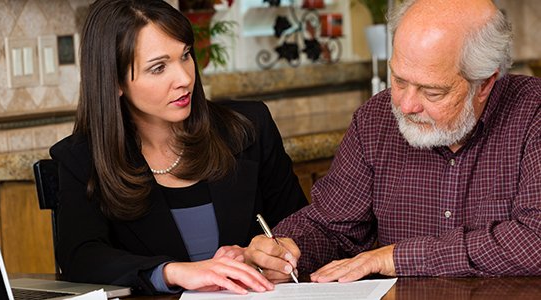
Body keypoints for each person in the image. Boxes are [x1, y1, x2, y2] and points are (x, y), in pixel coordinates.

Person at [245, 0, 541, 283]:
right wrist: (286, 251)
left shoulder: (534, 114)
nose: (405, 105)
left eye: (432, 92)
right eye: (398, 80)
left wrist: (397, 258)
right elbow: (332, 227)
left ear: (485, 84)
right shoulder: (375, 120)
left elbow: (535, 241)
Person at [49, 0, 308, 295]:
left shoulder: (249, 127)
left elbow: (301, 228)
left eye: (185, 55)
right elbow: (81, 259)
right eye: (158, 68)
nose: (185, 78)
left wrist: (278, 258)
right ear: (115, 81)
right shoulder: (81, 158)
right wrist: (173, 272)